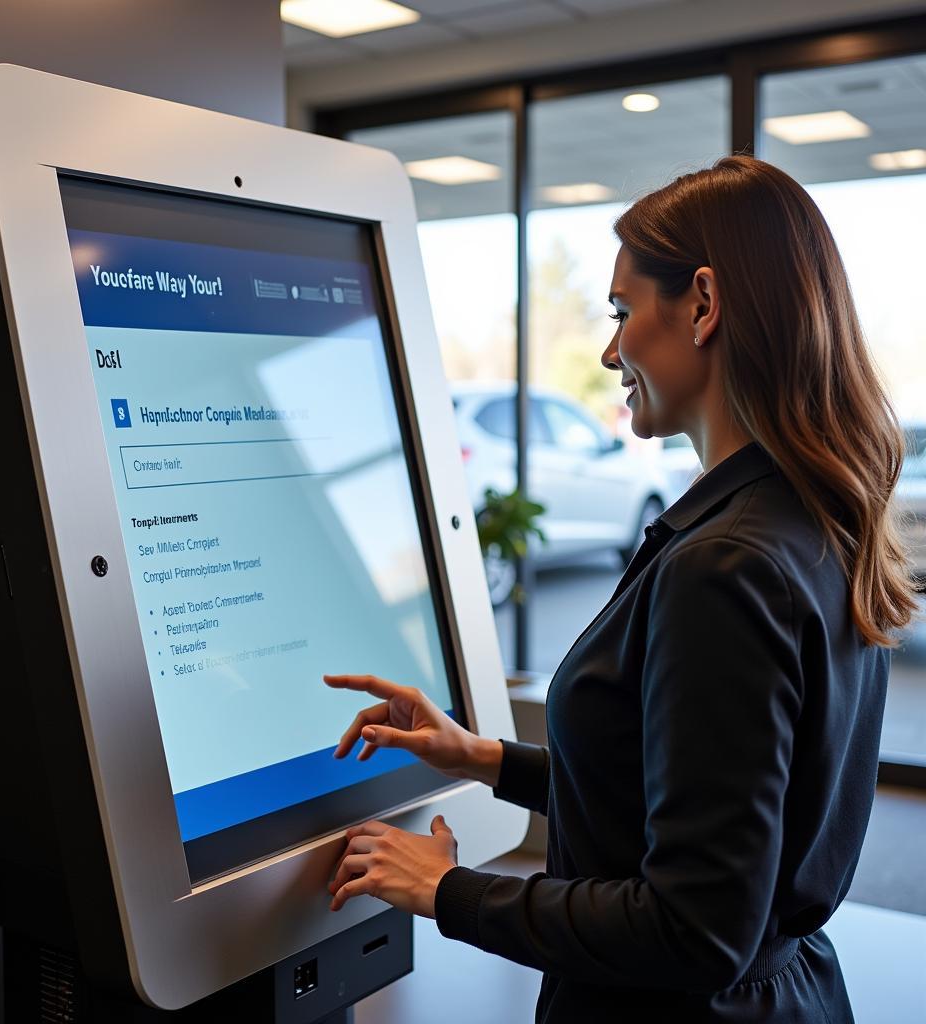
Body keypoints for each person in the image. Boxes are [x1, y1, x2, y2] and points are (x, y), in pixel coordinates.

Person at [321, 154, 922, 1022]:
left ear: (704, 306)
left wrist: (449, 890)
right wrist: (484, 759)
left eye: (621, 311)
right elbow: (695, 795)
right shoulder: (806, 520)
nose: (609, 350)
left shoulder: (725, 566)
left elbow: (692, 926)